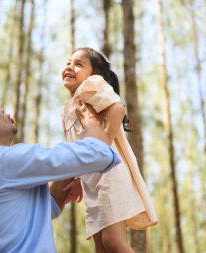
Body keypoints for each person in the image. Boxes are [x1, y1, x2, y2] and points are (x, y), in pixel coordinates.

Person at [0, 95, 122, 253]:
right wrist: (90, 121)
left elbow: (46, 206)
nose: (2, 109)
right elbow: (99, 154)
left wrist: (72, 173)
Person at [61, 47, 158, 253]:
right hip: (92, 182)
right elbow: (78, 148)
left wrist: (101, 146)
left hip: (109, 174)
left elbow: (117, 108)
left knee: (113, 241)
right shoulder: (67, 108)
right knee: (101, 246)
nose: (70, 67)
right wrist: (79, 179)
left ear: (95, 74)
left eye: (79, 64)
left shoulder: (91, 85)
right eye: (69, 62)